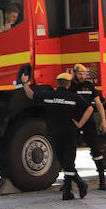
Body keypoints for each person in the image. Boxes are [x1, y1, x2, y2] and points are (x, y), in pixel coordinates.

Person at [21, 71, 93, 200]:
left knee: (63, 160)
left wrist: (25, 82)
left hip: (55, 132)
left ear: (57, 83)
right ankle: (76, 186)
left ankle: (70, 189)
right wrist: (80, 124)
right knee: (69, 160)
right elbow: (90, 108)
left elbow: (31, 95)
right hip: (70, 132)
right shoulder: (73, 97)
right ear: (68, 84)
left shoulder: (48, 95)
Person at [70, 63, 106, 190]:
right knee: (70, 150)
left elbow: (98, 104)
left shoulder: (89, 86)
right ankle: (68, 180)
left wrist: (103, 121)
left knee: (96, 149)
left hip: (89, 122)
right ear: (74, 73)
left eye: (84, 74)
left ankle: (102, 179)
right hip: (74, 121)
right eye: (79, 73)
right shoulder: (70, 86)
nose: (82, 76)